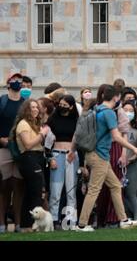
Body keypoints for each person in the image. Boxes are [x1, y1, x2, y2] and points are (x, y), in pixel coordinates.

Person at [74, 84, 137, 232]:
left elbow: (78, 132)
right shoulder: (109, 113)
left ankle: (123, 220)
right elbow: (116, 136)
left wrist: (72, 151)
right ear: (116, 97)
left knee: (116, 186)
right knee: (94, 190)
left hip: (95, 155)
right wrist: (134, 148)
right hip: (100, 156)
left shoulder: (95, 109)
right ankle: (82, 225)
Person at [14, 99, 50, 232]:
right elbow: (28, 144)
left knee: (32, 193)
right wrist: (42, 134)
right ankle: (32, 225)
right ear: (26, 109)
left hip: (38, 157)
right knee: (36, 192)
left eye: (36, 107)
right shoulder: (23, 124)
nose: (35, 109)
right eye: (32, 107)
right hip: (29, 158)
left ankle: (26, 225)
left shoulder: (35, 123)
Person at [47, 95, 80, 229]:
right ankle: (53, 219)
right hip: (57, 155)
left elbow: (79, 139)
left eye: (65, 105)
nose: (62, 106)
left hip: (72, 156)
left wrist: (73, 151)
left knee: (71, 191)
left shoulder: (76, 120)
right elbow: (47, 141)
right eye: (60, 104)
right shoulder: (53, 119)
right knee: (55, 190)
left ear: (71, 107)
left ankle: (70, 220)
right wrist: (50, 158)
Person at [0, 73, 25, 233]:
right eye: (14, 80)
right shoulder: (2, 102)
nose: (17, 83)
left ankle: (17, 222)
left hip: (21, 148)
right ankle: (1, 223)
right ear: (8, 83)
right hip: (4, 148)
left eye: (19, 80)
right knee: (3, 187)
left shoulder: (25, 103)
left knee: (19, 187)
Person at [121, 101, 137, 221]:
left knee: (131, 193)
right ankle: (124, 218)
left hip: (132, 165)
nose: (128, 113)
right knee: (119, 193)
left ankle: (135, 218)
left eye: (131, 110)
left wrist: (132, 158)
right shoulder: (117, 128)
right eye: (125, 110)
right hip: (118, 164)